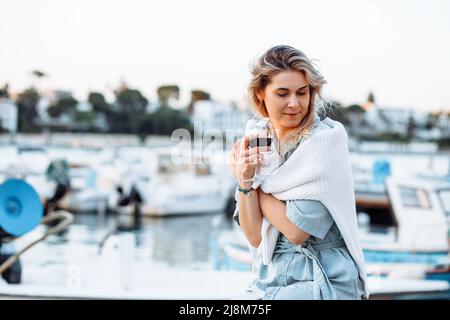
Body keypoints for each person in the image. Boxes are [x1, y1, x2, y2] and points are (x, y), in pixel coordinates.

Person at [230, 45, 368, 300]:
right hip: (273, 276)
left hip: (324, 277)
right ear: (261, 94)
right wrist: (245, 183)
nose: (294, 103)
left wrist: (251, 182)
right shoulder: (259, 139)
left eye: (302, 93)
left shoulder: (326, 142)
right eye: (282, 93)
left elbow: (296, 230)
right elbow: (255, 236)